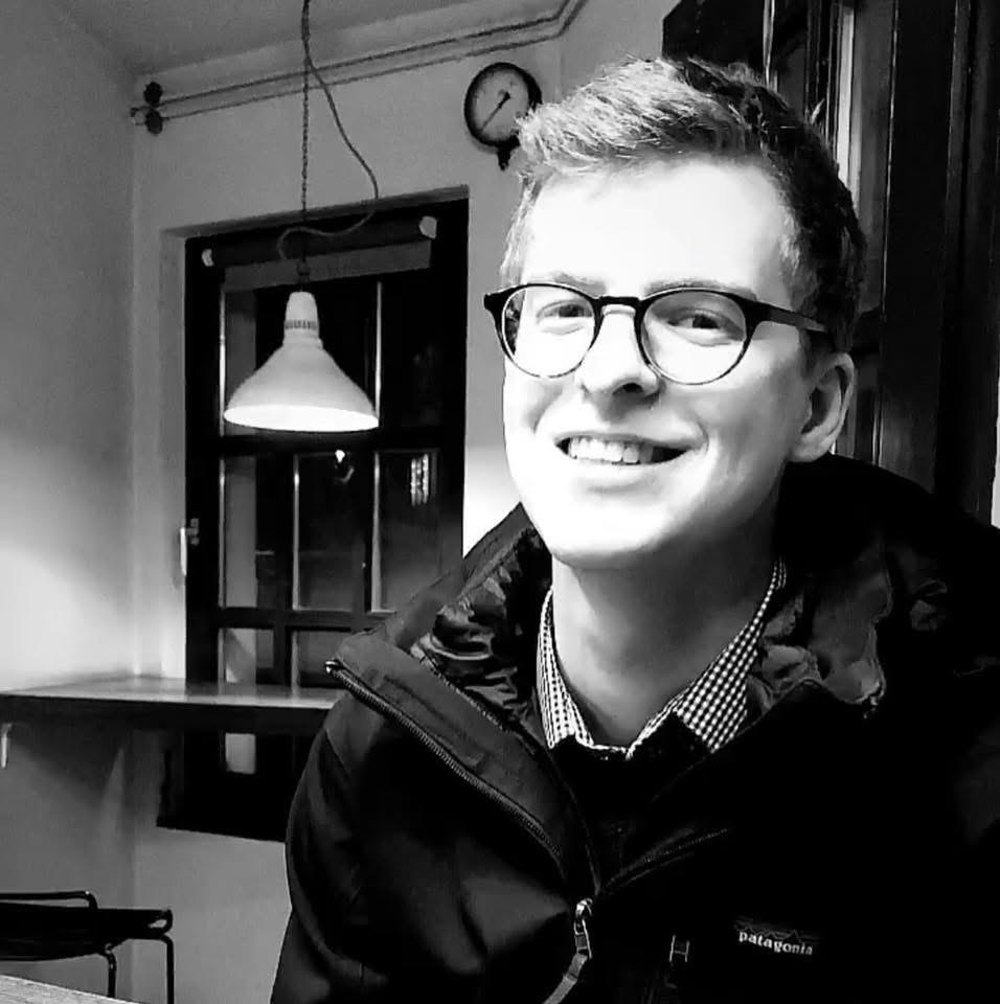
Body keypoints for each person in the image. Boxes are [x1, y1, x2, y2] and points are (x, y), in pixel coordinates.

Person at [271, 57, 1000, 1004]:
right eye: (563, 309)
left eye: (699, 317)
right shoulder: (381, 744)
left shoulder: (965, 749)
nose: (610, 368)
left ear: (818, 405)